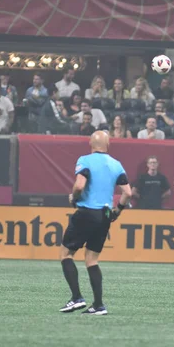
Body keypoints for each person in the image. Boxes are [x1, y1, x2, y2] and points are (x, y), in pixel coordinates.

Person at [59, 131, 131, 316]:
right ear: (108, 144)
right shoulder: (116, 164)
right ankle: (98, 305)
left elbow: (80, 185)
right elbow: (127, 193)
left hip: (86, 212)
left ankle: (76, 298)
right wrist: (117, 211)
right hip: (105, 214)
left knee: (66, 254)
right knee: (92, 260)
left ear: (91, 143)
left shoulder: (86, 160)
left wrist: (73, 198)